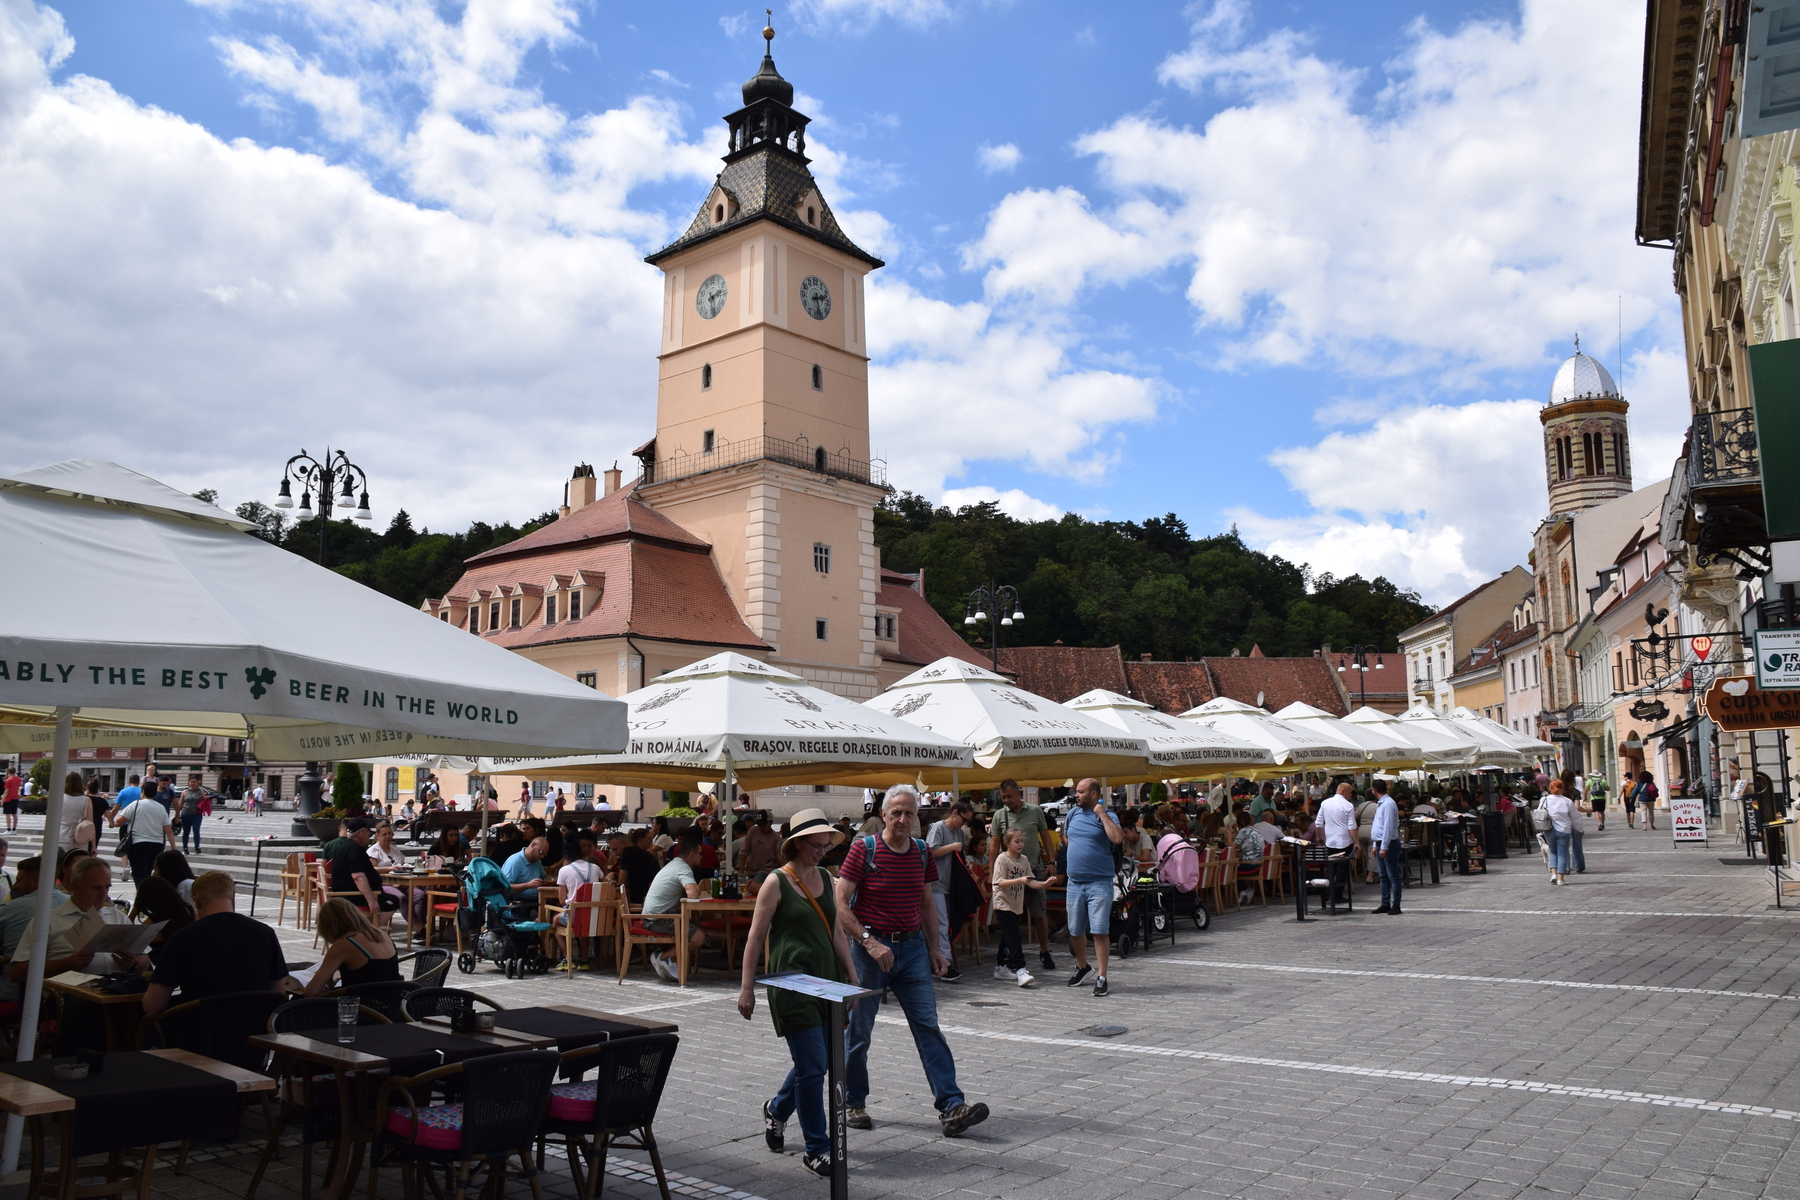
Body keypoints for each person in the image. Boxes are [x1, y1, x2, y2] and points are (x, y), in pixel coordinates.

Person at [834, 784, 988, 1138]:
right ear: (883, 815)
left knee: (928, 1027)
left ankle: (952, 1107)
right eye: (896, 813)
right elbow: (839, 903)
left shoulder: (920, 851)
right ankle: (853, 1101)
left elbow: (926, 903)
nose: (903, 819)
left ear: (917, 817)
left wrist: (935, 948)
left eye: (909, 813)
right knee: (858, 1031)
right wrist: (869, 942)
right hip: (871, 954)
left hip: (913, 950)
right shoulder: (864, 849)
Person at [737, 809, 859, 1179]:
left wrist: (852, 976)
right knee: (813, 1067)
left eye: (826, 845)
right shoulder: (776, 882)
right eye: (816, 845)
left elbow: (836, 932)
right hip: (791, 986)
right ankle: (816, 1149)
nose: (822, 851)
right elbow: (755, 937)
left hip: (827, 983)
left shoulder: (827, 877)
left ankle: (776, 1110)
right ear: (797, 844)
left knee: (815, 1062)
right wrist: (747, 989)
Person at [10, 856, 142, 992]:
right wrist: (65, 964)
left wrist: (133, 963)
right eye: (96, 888)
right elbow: (17, 972)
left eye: (107, 887)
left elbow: (145, 960)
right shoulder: (48, 921)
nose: (104, 895)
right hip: (71, 995)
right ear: (75, 887)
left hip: (117, 990)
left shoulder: (117, 916)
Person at [1061, 779, 1122, 995]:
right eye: (1076, 791)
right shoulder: (1072, 814)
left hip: (1099, 883)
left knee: (1099, 930)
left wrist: (1101, 814)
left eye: (1080, 792)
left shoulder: (1108, 815)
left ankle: (1102, 977)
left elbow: (1117, 838)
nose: (1076, 795)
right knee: (1075, 929)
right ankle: (1083, 966)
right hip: (1075, 882)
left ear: (1094, 794)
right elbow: (1067, 836)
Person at [987, 779, 1055, 972]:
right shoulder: (999, 815)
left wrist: (1052, 862)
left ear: (1019, 792)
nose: (1006, 800)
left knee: (1039, 912)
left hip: (1033, 868)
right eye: (1003, 797)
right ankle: (1009, 956)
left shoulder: (1035, 811)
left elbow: (1046, 836)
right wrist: (992, 872)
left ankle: (1044, 951)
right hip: (1010, 874)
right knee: (1009, 914)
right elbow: (994, 845)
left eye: (1009, 796)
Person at [642, 830, 708, 981]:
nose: (702, 857)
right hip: (658, 919)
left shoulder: (674, 864)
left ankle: (671, 960)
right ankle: (663, 957)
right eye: (700, 854)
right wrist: (697, 888)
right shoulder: (683, 868)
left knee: (696, 926)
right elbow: (693, 894)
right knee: (699, 937)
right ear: (692, 854)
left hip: (652, 916)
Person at [303, 898, 402, 996]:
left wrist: (328, 986)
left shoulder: (344, 944)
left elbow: (310, 992)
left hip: (363, 1003)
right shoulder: (382, 934)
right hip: (394, 1000)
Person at [990, 827, 1048, 986]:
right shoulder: (1002, 859)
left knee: (1007, 937)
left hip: (1016, 904)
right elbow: (998, 881)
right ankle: (1021, 969)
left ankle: (1001, 967)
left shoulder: (1024, 860)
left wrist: (1044, 884)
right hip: (1003, 903)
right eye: (1016, 841)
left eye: (1022, 841)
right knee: (1014, 937)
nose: (1020, 844)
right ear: (1007, 843)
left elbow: (1030, 881)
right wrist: (1019, 880)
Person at [925, 800, 972, 982]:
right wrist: (952, 847)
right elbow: (929, 852)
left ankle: (939, 962)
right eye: (963, 819)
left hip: (951, 884)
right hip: (935, 884)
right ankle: (944, 964)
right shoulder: (938, 828)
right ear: (954, 813)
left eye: (967, 821)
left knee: (946, 923)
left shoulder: (959, 833)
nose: (964, 824)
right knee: (941, 924)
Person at [555, 831, 606, 971]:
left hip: (574, 915)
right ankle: (584, 960)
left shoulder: (564, 870)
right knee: (583, 926)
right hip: (595, 916)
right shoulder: (595, 868)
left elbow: (562, 900)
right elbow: (606, 885)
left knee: (555, 921)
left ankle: (568, 959)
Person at [111, 781, 177, 883]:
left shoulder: (136, 804)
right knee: (148, 872)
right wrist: (173, 848)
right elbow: (168, 830)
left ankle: (143, 891)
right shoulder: (161, 808)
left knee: (139, 874)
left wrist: (112, 823)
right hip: (157, 845)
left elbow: (119, 821)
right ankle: (147, 890)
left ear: (143, 792)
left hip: (138, 844)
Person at [332, 820, 401, 913]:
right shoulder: (354, 849)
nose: (369, 834)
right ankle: (365, 923)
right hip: (353, 896)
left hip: (352, 893)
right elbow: (358, 876)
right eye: (367, 831)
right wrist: (371, 901)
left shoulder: (347, 845)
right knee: (393, 902)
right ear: (359, 833)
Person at [0, 857, 42, 1004]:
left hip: (12, 993)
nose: (15, 886)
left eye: (19, 880)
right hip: (52, 993)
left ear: (35, 880)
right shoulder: (68, 903)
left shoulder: (10, 909)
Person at [130, 876, 195, 965]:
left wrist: (135, 910)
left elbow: (130, 941)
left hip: (161, 965)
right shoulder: (188, 910)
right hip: (187, 961)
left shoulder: (153, 922)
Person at [1369, 779, 1404, 915]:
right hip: (1380, 843)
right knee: (1383, 875)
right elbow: (1378, 826)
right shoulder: (1381, 804)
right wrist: (1375, 844)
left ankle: (1396, 904)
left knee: (1392, 875)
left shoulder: (1388, 804)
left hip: (1389, 844)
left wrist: (1384, 846)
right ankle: (1385, 903)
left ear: (1374, 790)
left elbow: (1388, 827)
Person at [615, 828, 660, 906]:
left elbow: (622, 879)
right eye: (648, 838)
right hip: (652, 894)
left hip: (640, 896)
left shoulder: (629, 851)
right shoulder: (647, 855)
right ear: (640, 839)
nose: (651, 841)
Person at [740, 813, 782, 878]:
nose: (761, 827)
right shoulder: (753, 831)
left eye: (764, 824)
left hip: (767, 870)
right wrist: (741, 871)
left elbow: (779, 858)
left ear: (771, 822)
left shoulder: (776, 838)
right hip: (752, 870)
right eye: (759, 824)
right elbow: (744, 851)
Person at [176, 774, 208, 854]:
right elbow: (181, 803)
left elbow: (204, 800)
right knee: (186, 831)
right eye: (191, 782)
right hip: (185, 813)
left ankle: (197, 847)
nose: (193, 783)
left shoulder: (200, 791)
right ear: (189, 782)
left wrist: (206, 799)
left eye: (194, 782)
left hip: (197, 814)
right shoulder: (184, 792)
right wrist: (177, 814)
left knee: (196, 830)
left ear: (197, 783)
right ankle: (185, 847)